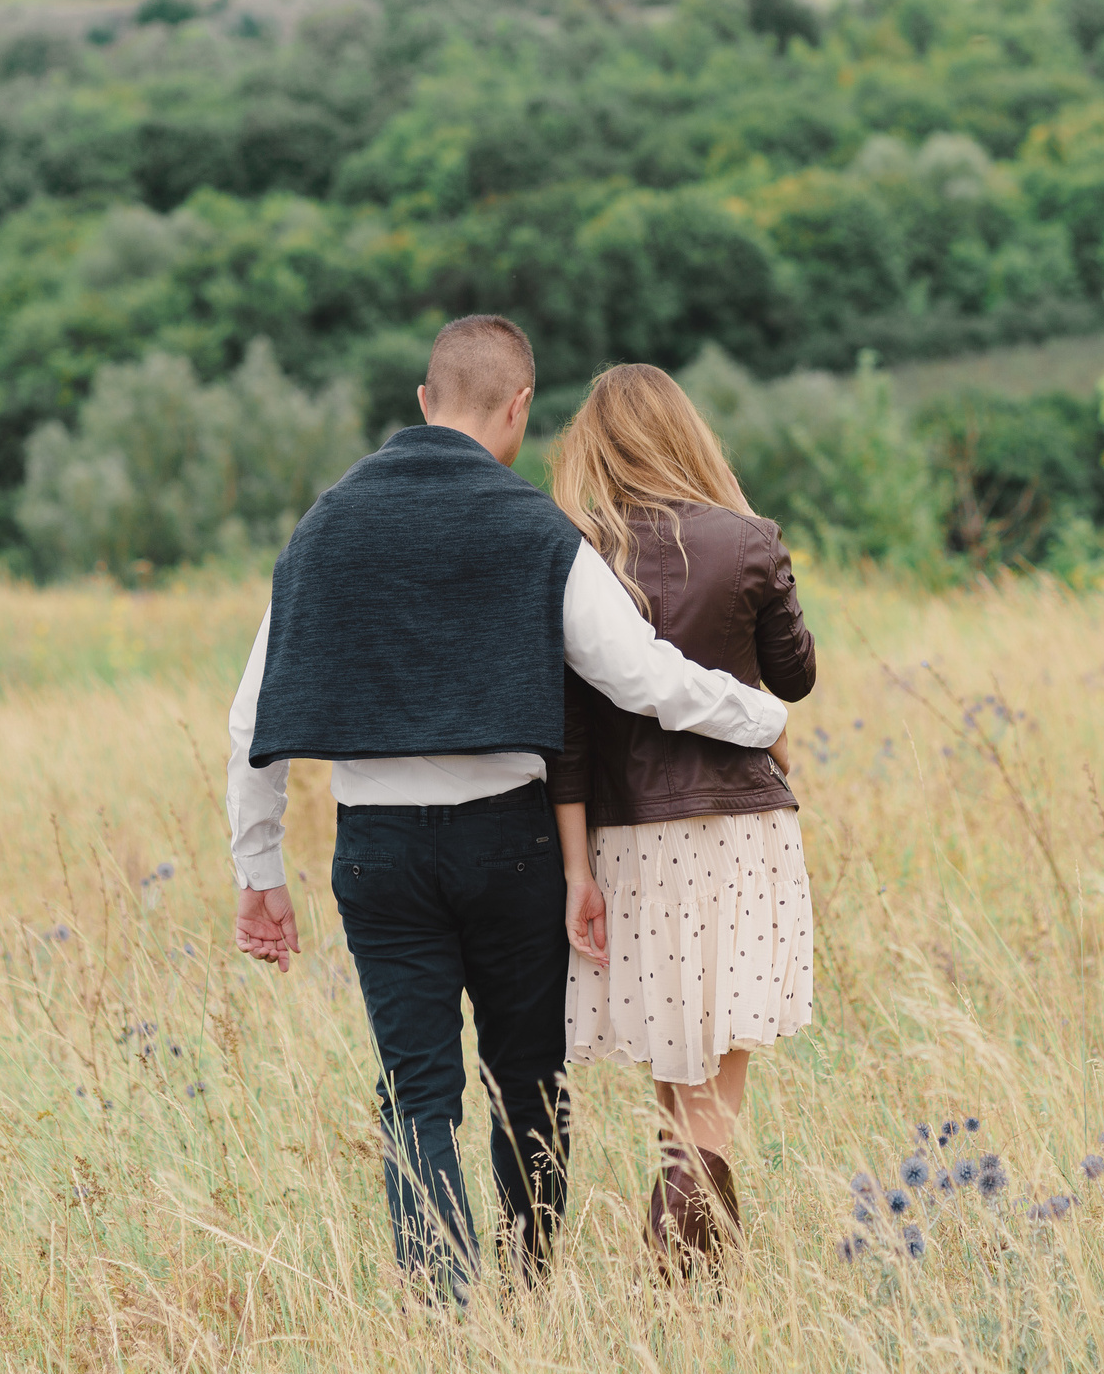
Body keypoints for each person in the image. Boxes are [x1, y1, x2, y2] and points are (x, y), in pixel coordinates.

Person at [224, 315, 788, 1297]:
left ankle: (446, 1309)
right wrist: (758, 713)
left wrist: (258, 868)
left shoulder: (324, 526)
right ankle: (524, 1296)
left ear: (423, 401)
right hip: (509, 847)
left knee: (418, 1094)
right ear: (520, 409)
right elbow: (642, 679)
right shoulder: (536, 529)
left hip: (379, 854)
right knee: (528, 1086)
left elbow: (251, 716)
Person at [547, 363, 817, 1275]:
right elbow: (796, 675)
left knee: (679, 1077)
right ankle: (689, 1277)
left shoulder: (578, 558)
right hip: (737, 830)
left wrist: (575, 868)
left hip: (625, 840)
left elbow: (570, 737)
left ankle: (689, 1276)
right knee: (712, 1091)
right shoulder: (747, 540)